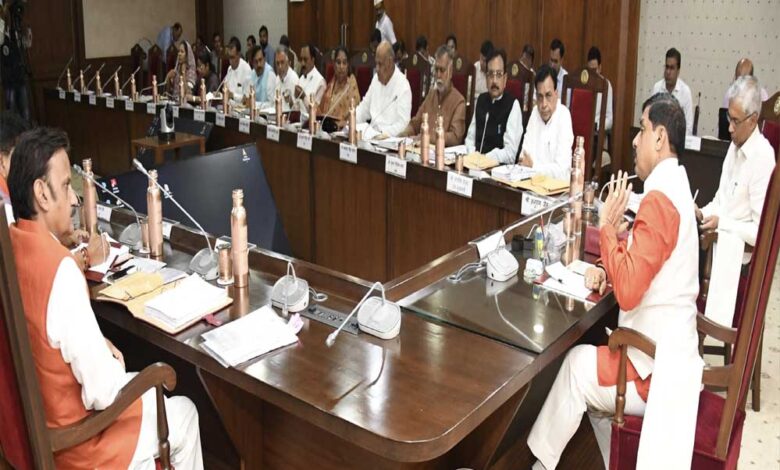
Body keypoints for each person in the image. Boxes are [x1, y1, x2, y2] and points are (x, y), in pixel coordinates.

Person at [7, 127, 204, 469]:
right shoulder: (59, 269)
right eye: (66, 186)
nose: (73, 199)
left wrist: (97, 344)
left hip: (38, 424)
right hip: (79, 443)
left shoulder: (12, 245)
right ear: (41, 193)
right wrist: (108, 357)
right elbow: (103, 391)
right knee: (184, 412)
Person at [528, 93, 700, 470]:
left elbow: (629, 291)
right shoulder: (675, 188)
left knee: (575, 367)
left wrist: (606, 227)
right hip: (667, 351)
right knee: (587, 368)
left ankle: (539, 466)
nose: (635, 140)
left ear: (660, 137)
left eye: (642, 129)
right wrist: (611, 258)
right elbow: (646, 262)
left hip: (654, 369)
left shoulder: (660, 199)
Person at [698, 76, 775, 322]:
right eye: (728, 118)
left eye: (735, 121)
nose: (729, 128)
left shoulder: (763, 157)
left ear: (753, 120)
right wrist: (701, 212)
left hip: (741, 261)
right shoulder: (734, 146)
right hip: (719, 243)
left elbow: (762, 232)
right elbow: (721, 200)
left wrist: (722, 224)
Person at [465, 48, 523, 164]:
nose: (494, 81)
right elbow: (470, 139)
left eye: (499, 74)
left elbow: (511, 153)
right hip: (474, 166)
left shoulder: (513, 105)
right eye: (491, 74)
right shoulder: (481, 100)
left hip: (497, 171)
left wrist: (485, 158)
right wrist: (472, 156)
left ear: (505, 79)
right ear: (486, 78)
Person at [400, 45, 465, 146]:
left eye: (442, 70)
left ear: (451, 71)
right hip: (420, 150)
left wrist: (427, 138)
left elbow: (455, 137)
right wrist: (403, 135)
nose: (438, 75)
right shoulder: (431, 95)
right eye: (436, 69)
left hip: (441, 153)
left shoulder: (459, 101)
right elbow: (415, 124)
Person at [519, 64, 574, 180]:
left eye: (548, 95)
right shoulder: (535, 112)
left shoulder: (564, 115)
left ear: (556, 94)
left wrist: (534, 167)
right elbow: (524, 158)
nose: (543, 104)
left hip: (556, 188)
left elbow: (562, 171)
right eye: (540, 97)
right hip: (531, 184)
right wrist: (533, 167)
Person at [355, 41, 412, 137]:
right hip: (370, 137)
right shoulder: (376, 79)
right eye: (376, 64)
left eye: (380, 64)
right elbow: (364, 108)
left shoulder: (403, 85)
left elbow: (403, 125)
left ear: (389, 62)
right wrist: (351, 122)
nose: (377, 69)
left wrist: (381, 134)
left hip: (389, 140)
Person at [651, 47, 693, 135]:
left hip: (677, 140)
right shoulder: (657, 88)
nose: (668, 72)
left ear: (678, 71)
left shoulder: (685, 92)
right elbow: (651, 118)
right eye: (666, 67)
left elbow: (689, 127)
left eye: (672, 68)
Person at [319, 45, 361, 130]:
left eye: (344, 63)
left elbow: (355, 111)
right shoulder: (331, 85)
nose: (341, 67)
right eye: (338, 62)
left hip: (344, 130)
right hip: (326, 128)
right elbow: (321, 111)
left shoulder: (351, 85)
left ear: (348, 65)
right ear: (334, 65)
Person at [295, 44, 326, 119]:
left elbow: (317, 112)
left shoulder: (320, 82)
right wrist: (290, 101)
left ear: (313, 60)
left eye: (305, 60)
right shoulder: (301, 78)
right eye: (301, 59)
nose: (302, 63)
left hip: (311, 123)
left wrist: (304, 97)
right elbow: (297, 109)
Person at [586, 46, 613, 131]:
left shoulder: (606, 85)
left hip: (597, 130)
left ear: (600, 68)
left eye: (595, 70)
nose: (592, 73)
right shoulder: (583, 83)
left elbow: (609, 119)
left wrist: (597, 127)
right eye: (590, 70)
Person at [223, 37, 252, 104]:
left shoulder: (246, 69)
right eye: (229, 57)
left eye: (232, 57)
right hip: (229, 107)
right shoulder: (229, 69)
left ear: (239, 55)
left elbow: (247, 98)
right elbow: (226, 90)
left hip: (241, 109)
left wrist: (233, 96)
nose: (230, 61)